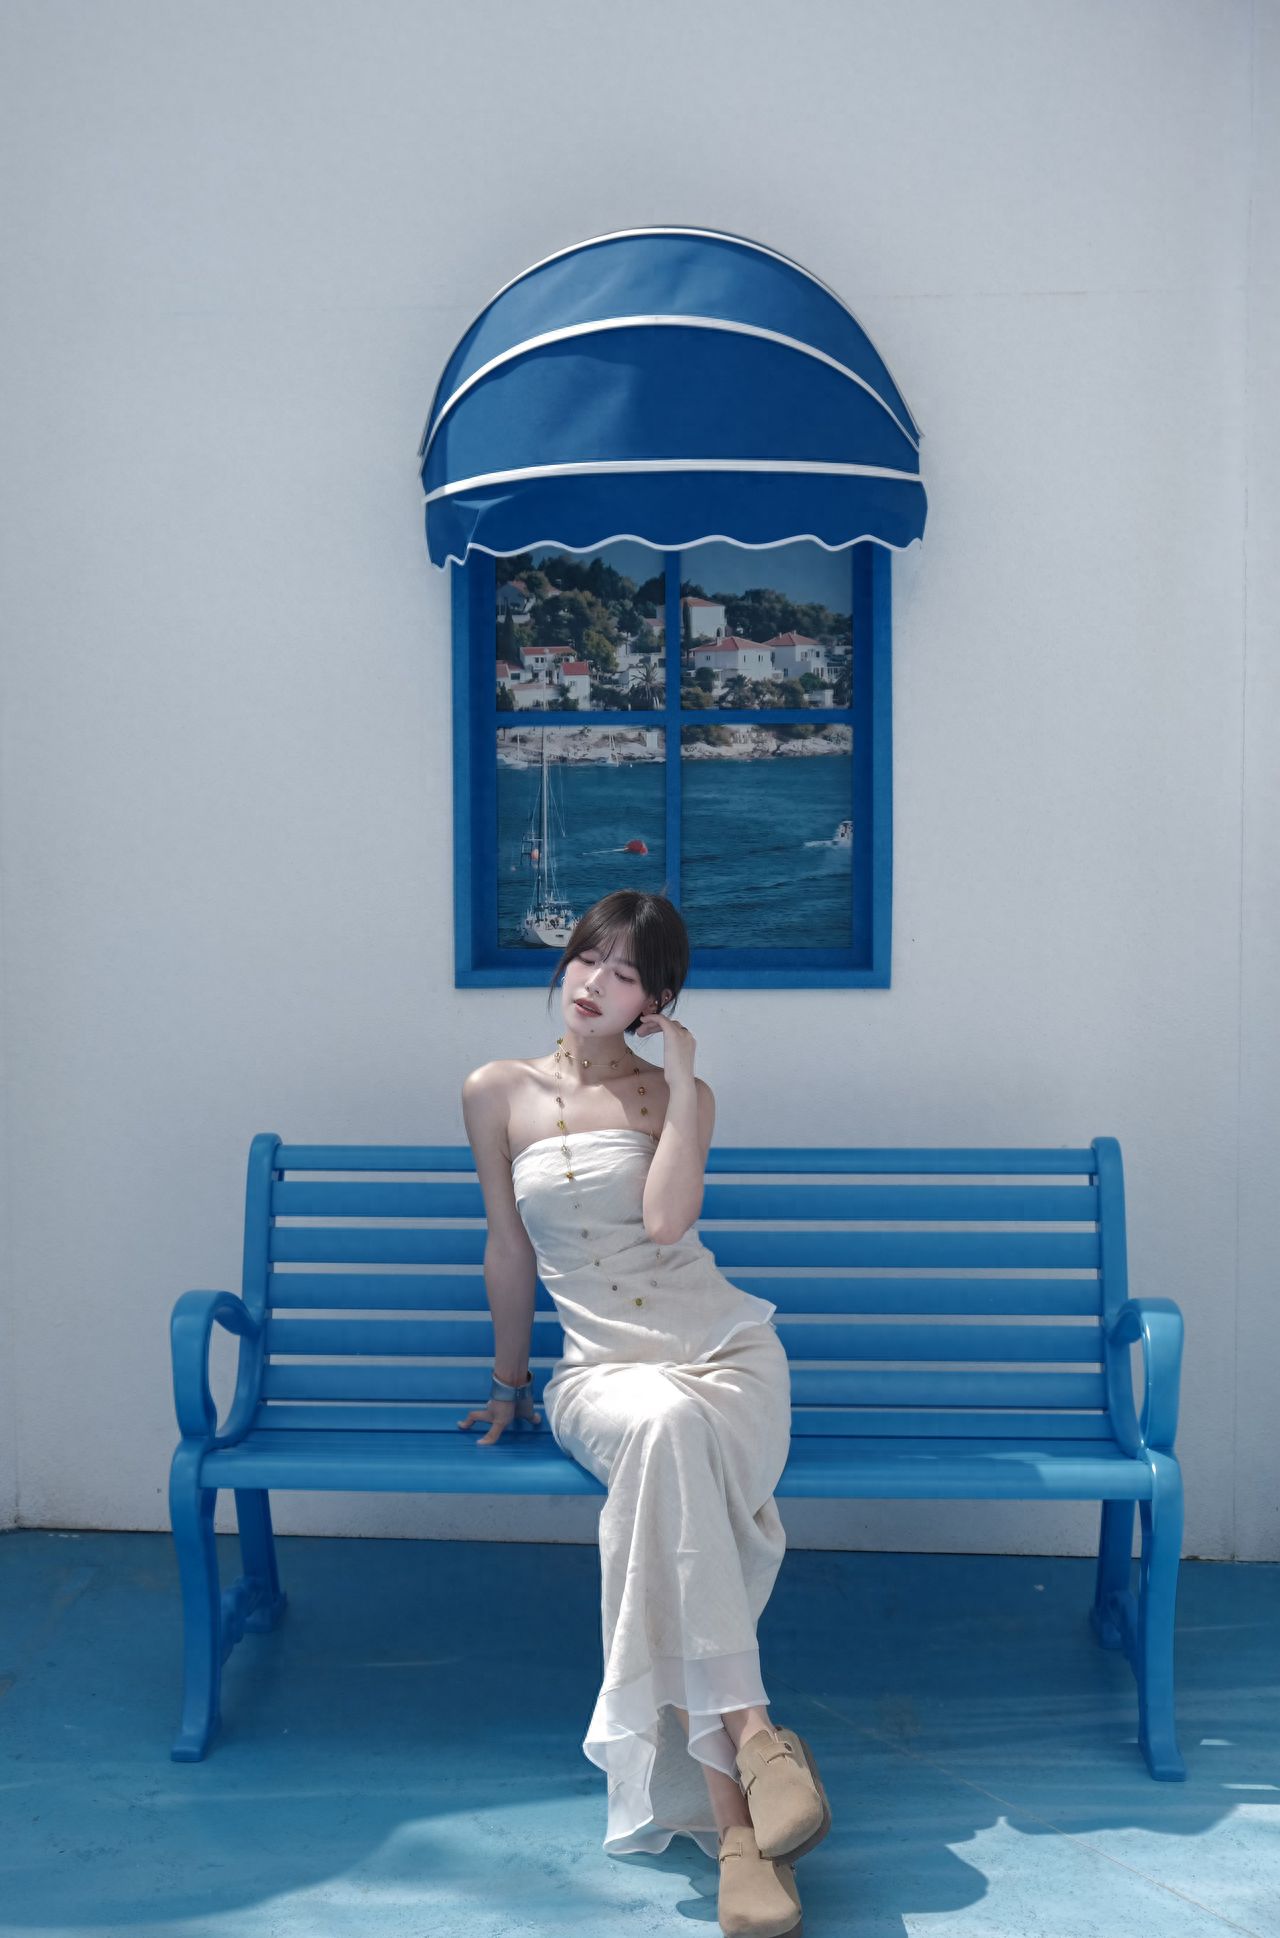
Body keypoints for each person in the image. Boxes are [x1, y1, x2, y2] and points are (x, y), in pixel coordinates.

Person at [458, 889, 830, 1938]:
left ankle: (734, 1820)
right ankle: (754, 1748)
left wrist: (675, 1075)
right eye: (585, 958)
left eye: (624, 975)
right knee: (658, 1429)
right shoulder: (496, 1091)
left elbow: (666, 1222)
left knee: (672, 1444)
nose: (591, 984)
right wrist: (507, 1383)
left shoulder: (681, 1093)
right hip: (600, 1376)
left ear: (655, 999)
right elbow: (508, 1248)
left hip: (723, 1355)